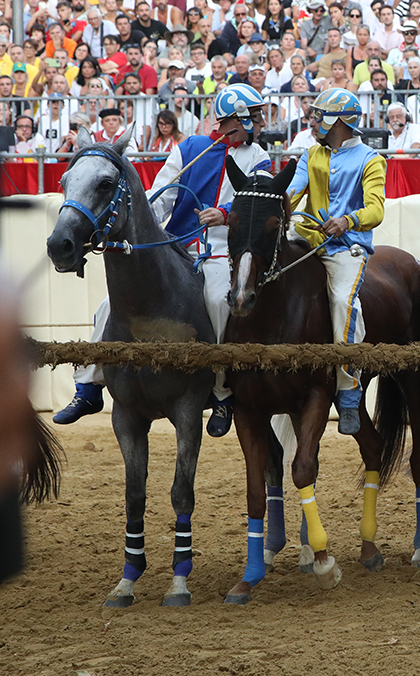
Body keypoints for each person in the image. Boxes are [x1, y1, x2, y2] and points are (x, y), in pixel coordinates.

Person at [53, 85, 272, 435]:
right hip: (176, 245)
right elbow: (161, 197)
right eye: (255, 114)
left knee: (218, 302)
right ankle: (89, 385)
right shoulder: (189, 148)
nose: (260, 121)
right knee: (109, 307)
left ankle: (220, 392)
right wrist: (144, 227)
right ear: (237, 118)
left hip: (219, 249)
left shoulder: (258, 155)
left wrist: (225, 213)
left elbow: (256, 205)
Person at [285, 89, 386, 435]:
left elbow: (376, 209)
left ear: (341, 122)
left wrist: (348, 220)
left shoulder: (371, 159)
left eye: (320, 116)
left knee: (343, 302)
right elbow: (292, 194)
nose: (313, 122)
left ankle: (347, 391)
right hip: (307, 240)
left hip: (346, 248)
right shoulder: (309, 155)